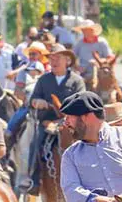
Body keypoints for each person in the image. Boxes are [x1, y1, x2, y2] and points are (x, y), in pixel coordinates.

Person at [26, 44, 86, 193]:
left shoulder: (77, 80)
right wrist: (37, 102)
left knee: (87, 145)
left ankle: (90, 179)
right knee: (36, 143)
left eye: (57, 58)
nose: (54, 61)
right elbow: (33, 99)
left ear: (67, 60)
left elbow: (82, 101)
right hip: (47, 122)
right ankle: (34, 180)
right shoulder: (43, 80)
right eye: (51, 58)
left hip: (71, 124)